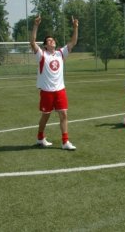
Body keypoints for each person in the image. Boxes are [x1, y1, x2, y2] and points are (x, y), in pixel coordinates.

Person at [30, 15, 78, 150]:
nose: (52, 41)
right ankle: (40, 138)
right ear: (45, 45)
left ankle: (65, 142)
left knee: (63, 114)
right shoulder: (41, 54)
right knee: (45, 116)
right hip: (46, 91)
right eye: (49, 41)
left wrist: (75, 27)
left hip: (60, 90)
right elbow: (32, 42)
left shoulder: (60, 53)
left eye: (53, 40)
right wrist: (36, 25)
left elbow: (73, 42)